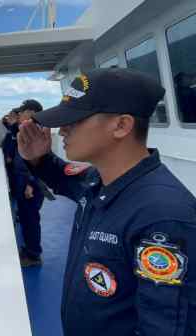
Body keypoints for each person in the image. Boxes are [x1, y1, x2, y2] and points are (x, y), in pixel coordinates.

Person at [17, 68, 196, 335]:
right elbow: (65, 178)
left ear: (121, 125)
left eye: (74, 120)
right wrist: (38, 159)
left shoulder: (163, 216)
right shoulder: (99, 182)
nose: (62, 129)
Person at [14, 100, 46, 267]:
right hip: (25, 181)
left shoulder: (36, 132)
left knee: (31, 220)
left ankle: (33, 256)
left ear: (32, 112)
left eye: (23, 111)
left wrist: (29, 184)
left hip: (30, 184)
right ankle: (29, 250)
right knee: (27, 220)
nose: (20, 114)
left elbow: (37, 161)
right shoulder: (29, 129)